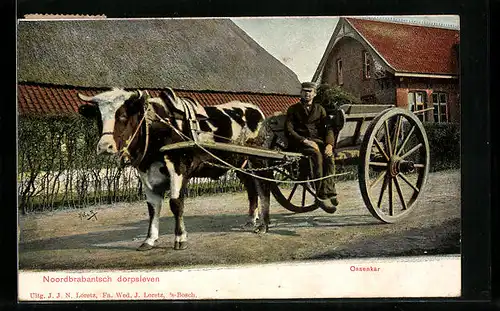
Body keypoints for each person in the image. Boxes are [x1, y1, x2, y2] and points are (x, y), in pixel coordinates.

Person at [285, 82, 338, 213]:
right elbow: (289, 130)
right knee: (316, 156)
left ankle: (330, 191)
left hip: (318, 142)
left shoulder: (320, 109)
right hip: (300, 144)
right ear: (300, 93)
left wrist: (329, 145)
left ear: (314, 94)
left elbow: (328, 128)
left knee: (329, 156)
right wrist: (304, 141)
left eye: (310, 91)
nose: (307, 94)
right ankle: (320, 195)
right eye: (305, 91)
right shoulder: (293, 109)